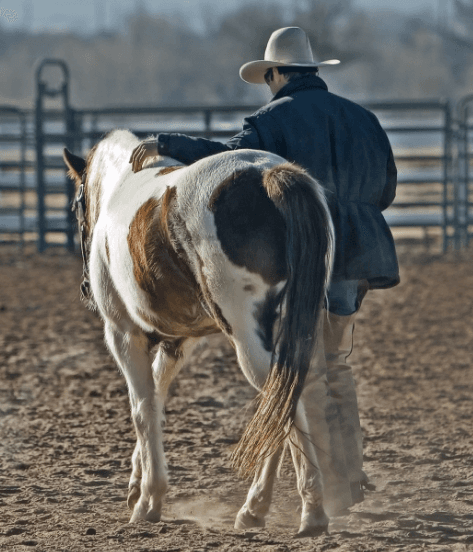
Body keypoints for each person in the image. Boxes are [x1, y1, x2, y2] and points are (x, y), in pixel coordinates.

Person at [129, 26, 399, 513]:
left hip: (300, 256)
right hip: (358, 259)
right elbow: (386, 190)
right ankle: (350, 476)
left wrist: (169, 143)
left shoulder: (272, 122)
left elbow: (225, 162)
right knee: (336, 365)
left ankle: (327, 491)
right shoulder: (365, 120)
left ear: (275, 73)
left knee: (306, 368)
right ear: (313, 71)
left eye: (267, 76)